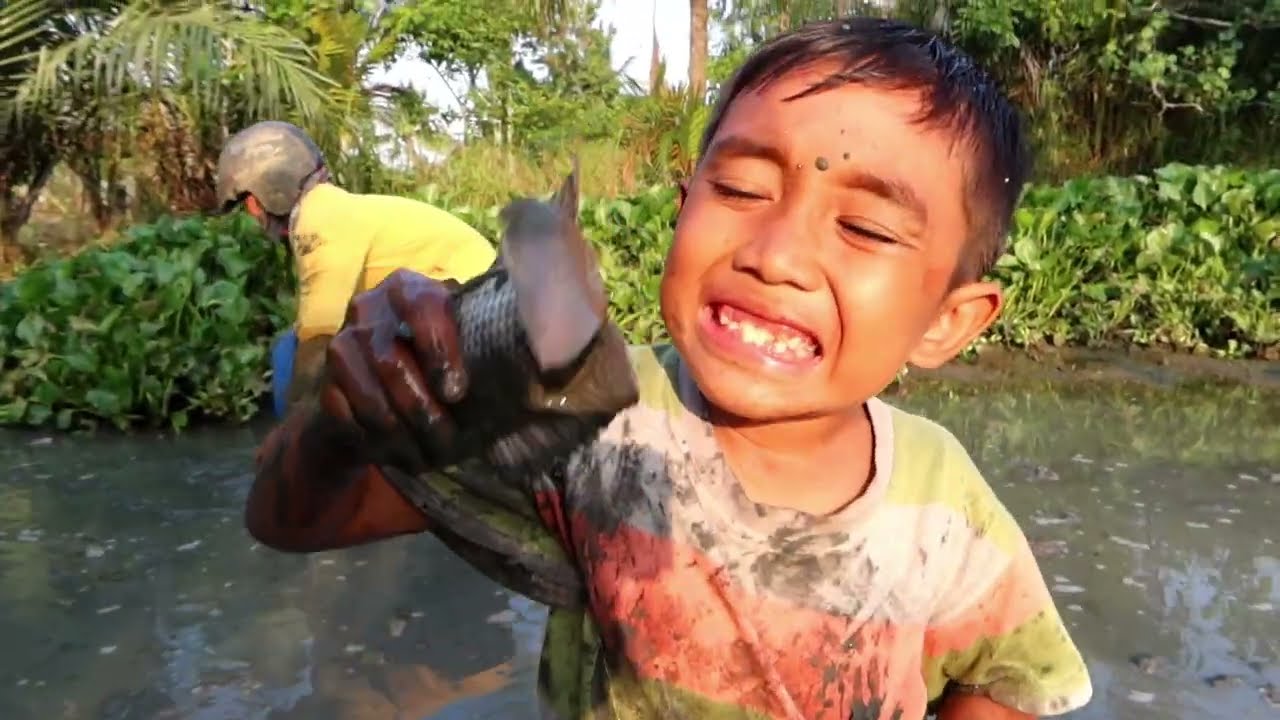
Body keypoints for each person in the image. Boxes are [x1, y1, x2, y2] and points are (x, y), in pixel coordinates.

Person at [244, 17, 1093, 720]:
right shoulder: (595, 426)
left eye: (866, 229)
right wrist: (340, 420)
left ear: (949, 319)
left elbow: (1009, 678)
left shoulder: (946, 510)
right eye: (742, 190)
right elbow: (290, 521)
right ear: (683, 208)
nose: (777, 253)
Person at [214, 121, 497, 416]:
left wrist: (293, 431)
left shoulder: (319, 220)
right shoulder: (329, 208)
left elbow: (318, 338)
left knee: (290, 353)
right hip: (463, 289)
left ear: (256, 204)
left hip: (465, 295)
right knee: (299, 348)